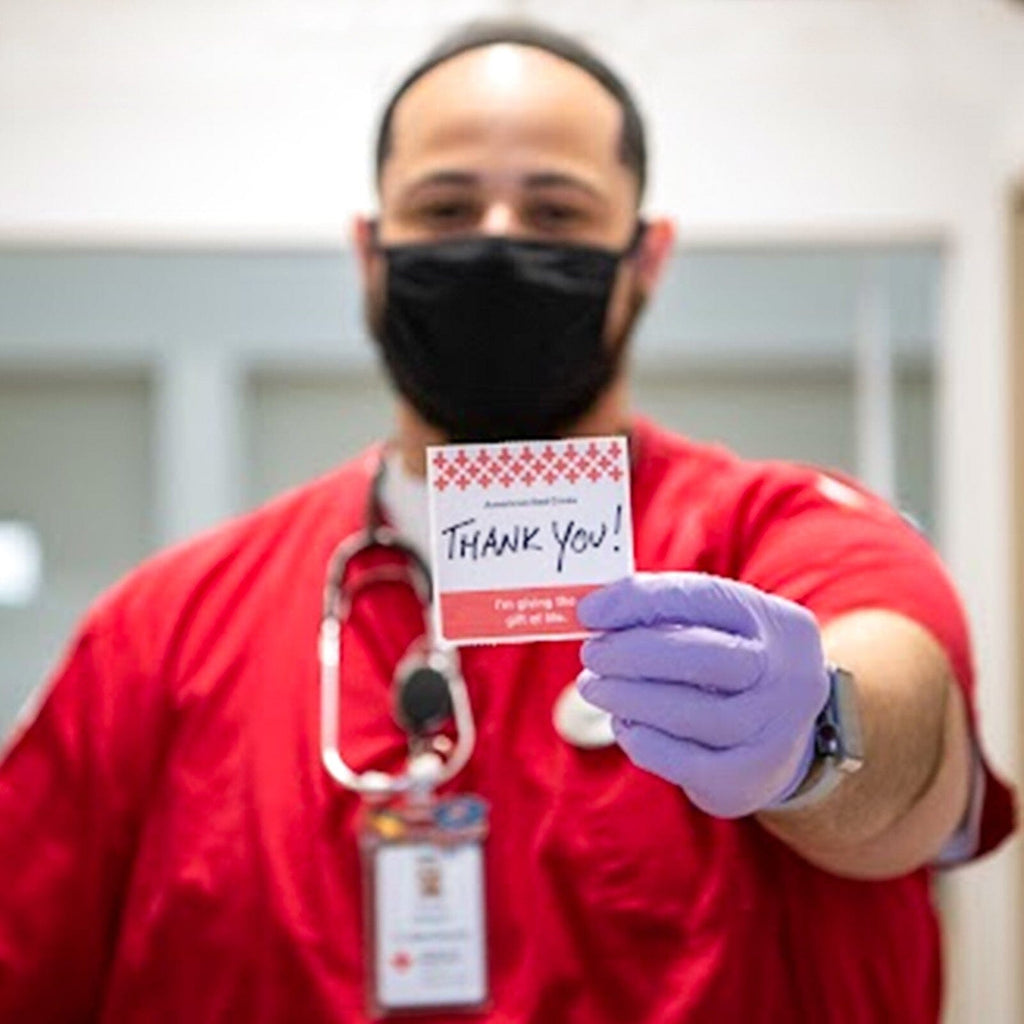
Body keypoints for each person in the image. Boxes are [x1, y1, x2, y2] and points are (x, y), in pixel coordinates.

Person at [0, 18, 1015, 1024]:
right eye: (444, 207)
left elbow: (911, 753)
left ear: (645, 257)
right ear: (369, 250)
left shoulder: (785, 537)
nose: (494, 240)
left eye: (554, 211)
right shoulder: (162, 634)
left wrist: (816, 735)